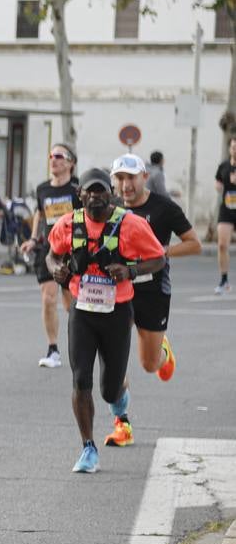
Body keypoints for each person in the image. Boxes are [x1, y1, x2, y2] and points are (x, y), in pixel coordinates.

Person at [46, 167, 165, 473]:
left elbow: (158, 258)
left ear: (110, 193)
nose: (96, 197)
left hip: (117, 312)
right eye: (90, 192)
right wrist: (56, 270)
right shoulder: (68, 224)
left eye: (101, 191)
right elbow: (51, 254)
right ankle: (88, 448)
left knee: (108, 388)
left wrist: (132, 272)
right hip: (82, 312)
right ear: (80, 195)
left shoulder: (130, 224)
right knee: (80, 378)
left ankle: (119, 401)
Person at [108, 154, 200, 421]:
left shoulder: (164, 208)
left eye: (131, 178)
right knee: (113, 359)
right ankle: (120, 420)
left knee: (149, 365)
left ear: (144, 177)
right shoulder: (110, 207)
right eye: (120, 179)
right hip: (116, 290)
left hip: (152, 291)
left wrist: (164, 250)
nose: (126, 185)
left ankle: (163, 351)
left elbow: (194, 243)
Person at [21, 143, 81, 368]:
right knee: (48, 298)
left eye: (59, 156)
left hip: (72, 250)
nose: (53, 160)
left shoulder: (78, 189)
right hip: (48, 249)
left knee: (70, 303)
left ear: (70, 163)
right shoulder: (42, 189)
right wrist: (33, 239)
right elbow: (39, 213)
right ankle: (53, 349)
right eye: (51, 156)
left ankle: (82, 342)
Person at [216, 134, 236, 294]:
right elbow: (218, 180)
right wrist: (219, 186)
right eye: (233, 147)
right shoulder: (224, 165)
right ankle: (224, 281)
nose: (234, 150)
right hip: (227, 209)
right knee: (222, 245)